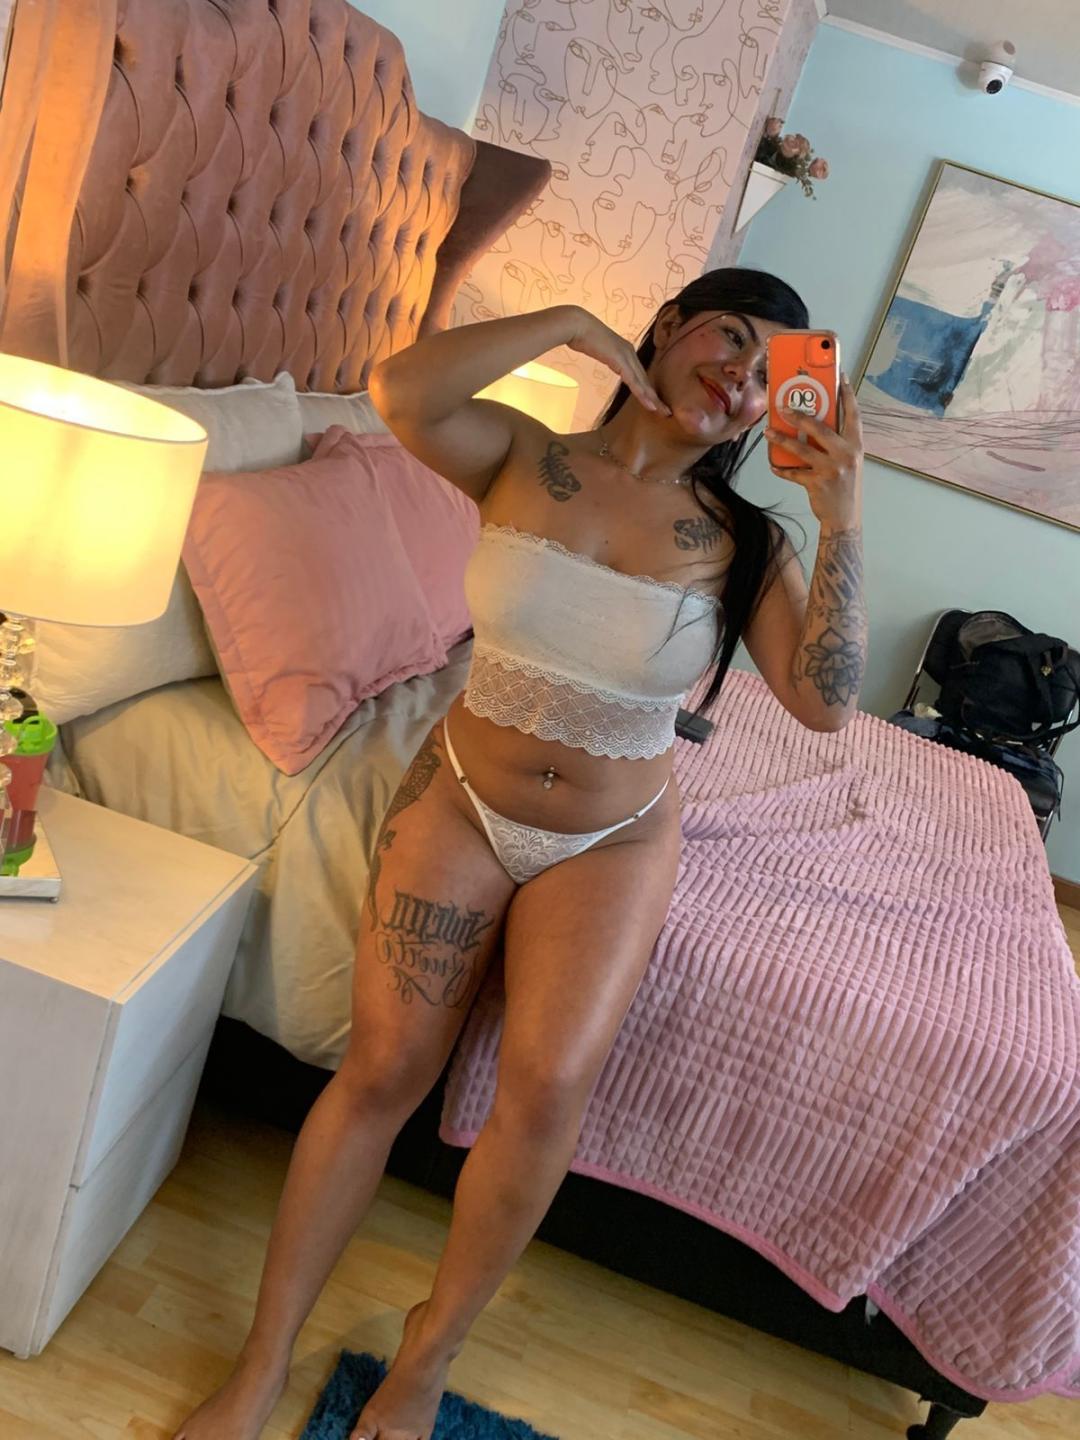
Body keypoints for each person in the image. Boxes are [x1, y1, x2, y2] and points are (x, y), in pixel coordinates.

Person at [173, 267, 867, 1440]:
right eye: (729, 337)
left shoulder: (745, 541)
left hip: (612, 837)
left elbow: (828, 703)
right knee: (381, 1071)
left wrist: (844, 517)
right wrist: (575, 324)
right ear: (670, 325)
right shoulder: (520, 452)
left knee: (545, 1091)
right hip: (462, 798)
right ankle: (261, 1361)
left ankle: (427, 1354)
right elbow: (398, 390)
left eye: (769, 372)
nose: (742, 376)